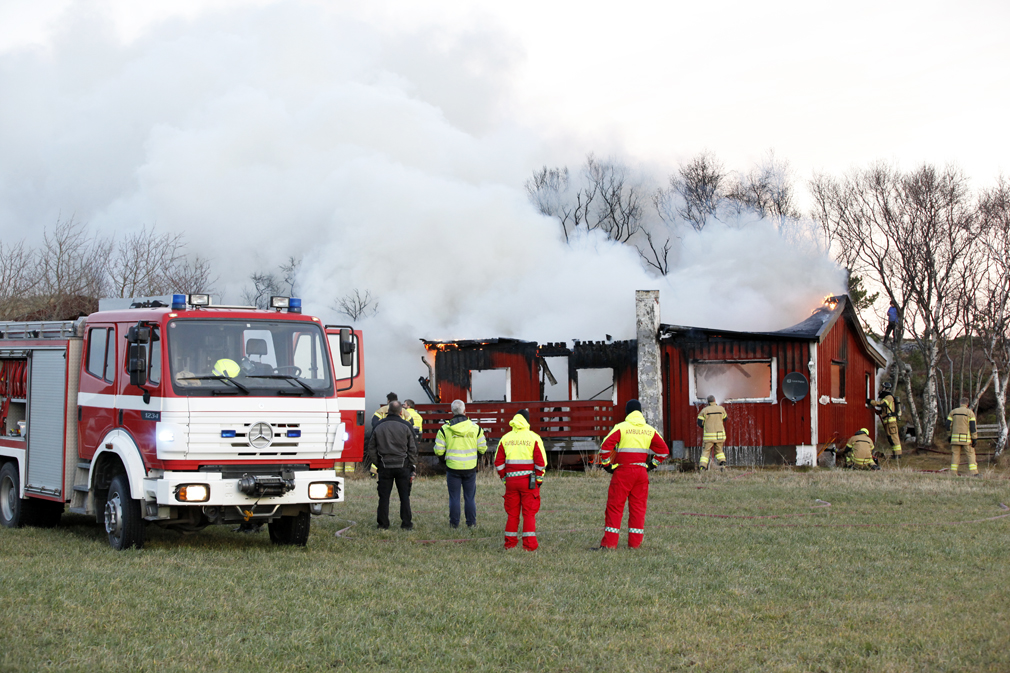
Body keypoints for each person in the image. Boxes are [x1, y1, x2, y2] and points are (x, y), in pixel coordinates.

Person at [596, 399, 670, 550]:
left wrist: (606, 465)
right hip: (641, 473)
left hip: (623, 471)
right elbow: (664, 451)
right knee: (638, 508)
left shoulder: (621, 427)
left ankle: (609, 544)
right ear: (640, 412)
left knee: (615, 507)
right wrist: (651, 465)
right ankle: (635, 544)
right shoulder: (649, 429)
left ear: (627, 412)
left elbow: (605, 447)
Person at [494, 409, 547, 551]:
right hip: (529, 482)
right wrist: (539, 480)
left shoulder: (505, 438)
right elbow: (541, 463)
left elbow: (498, 462)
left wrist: (505, 478)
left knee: (512, 514)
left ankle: (510, 544)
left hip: (511, 482)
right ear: (527, 421)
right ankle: (529, 546)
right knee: (529, 513)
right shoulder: (534, 437)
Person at [364, 400, 418, 530]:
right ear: (401, 412)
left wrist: (378, 463)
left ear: (387, 411)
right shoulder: (406, 426)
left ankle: (383, 524)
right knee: (404, 497)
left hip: (384, 467)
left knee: (384, 497)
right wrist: (411, 465)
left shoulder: (379, 425)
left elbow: (371, 448)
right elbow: (413, 448)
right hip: (403, 467)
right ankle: (406, 524)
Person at [434, 400, 487, 528]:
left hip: (452, 467)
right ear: (465, 411)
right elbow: (482, 449)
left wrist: (444, 461)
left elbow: (438, 451)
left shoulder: (444, 429)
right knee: (470, 497)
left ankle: (454, 524)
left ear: (452, 412)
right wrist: (474, 459)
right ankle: (471, 523)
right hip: (470, 467)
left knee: (454, 497)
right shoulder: (476, 428)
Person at [946, 397, 979, 477]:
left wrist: (949, 435)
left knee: (955, 455)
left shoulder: (953, 412)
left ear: (960, 403)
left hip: (955, 439)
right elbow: (972, 427)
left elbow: (947, 425)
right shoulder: (970, 413)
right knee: (970, 455)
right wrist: (974, 438)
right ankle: (974, 473)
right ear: (967, 404)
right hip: (966, 440)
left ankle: (953, 473)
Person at [869, 381, 902, 459]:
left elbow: (882, 404)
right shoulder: (887, 397)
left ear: (886, 388)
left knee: (894, 438)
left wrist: (870, 401)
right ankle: (895, 454)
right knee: (891, 438)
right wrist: (880, 412)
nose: (881, 389)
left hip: (891, 422)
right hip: (888, 421)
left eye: (883, 387)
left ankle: (897, 455)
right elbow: (886, 409)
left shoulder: (889, 397)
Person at [697, 395, 728, 470]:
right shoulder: (721, 409)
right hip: (719, 435)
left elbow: (700, 422)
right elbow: (725, 418)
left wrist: (706, 426)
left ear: (708, 401)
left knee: (706, 451)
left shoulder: (705, 410)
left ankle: (703, 467)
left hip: (709, 436)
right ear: (714, 400)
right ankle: (722, 464)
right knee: (719, 450)